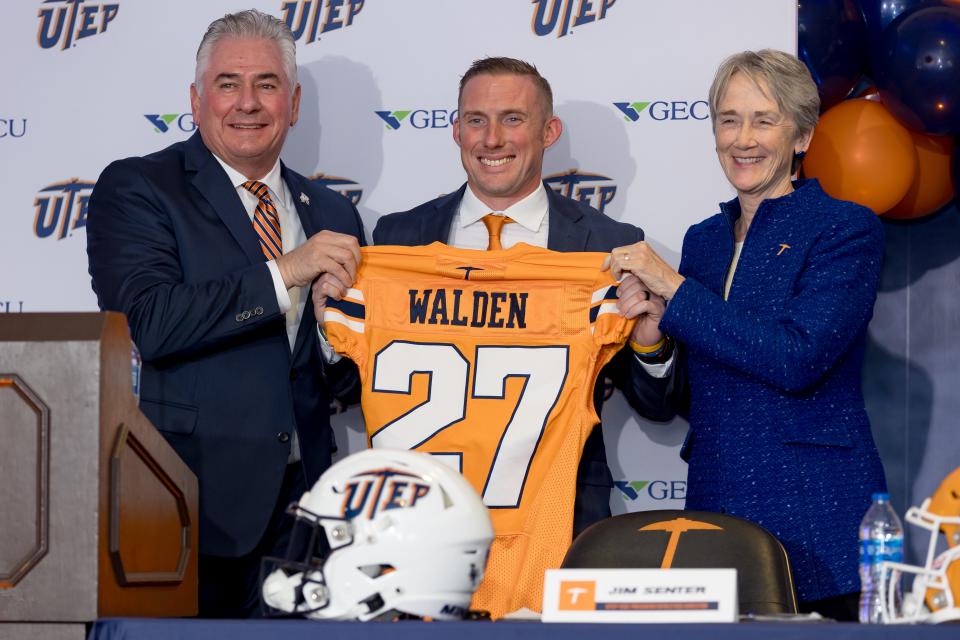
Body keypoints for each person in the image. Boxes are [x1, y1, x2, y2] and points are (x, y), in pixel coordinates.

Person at [86, 9, 363, 618]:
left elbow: (341, 380)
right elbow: (150, 323)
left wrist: (337, 341)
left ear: (292, 104)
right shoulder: (140, 188)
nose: (248, 103)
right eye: (227, 84)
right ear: (195, 98)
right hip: (184, 507)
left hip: (306, 516)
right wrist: (285, 271)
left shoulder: (334, 215)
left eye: (266, 85)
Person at [606, 49, 887, 620]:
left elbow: (795, 357)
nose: (743, 139)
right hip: (715, 503)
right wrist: (652, 340)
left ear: (803, 136)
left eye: (764, 120)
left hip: (817, 508)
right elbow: (683, 397)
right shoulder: (704, 239)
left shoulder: (846, 229)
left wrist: (677, 292)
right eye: (729, 120)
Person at [362, 57, 676, 538]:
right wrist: (328, 326)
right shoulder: (398, 239)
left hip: (560, 520)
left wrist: (649, 343)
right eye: (476, 120)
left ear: (549, 131)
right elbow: (347, 387)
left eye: (513, 119)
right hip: (418, 523)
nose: (492, 139)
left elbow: (656, 405)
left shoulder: (608, 244)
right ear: (455, 130)